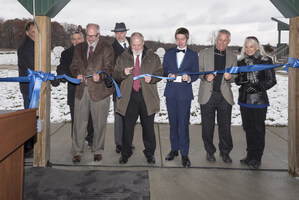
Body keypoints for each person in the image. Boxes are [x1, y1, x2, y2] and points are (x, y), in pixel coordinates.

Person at [113, 32, 163, 164]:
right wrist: (123, 73)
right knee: (127, 129)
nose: (136, 48)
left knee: (148, 128)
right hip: (129, 97)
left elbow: (160, 73)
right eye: (133, 45)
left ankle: (149, 153)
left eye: (139, 45)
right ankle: (126, 153)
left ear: (143, 43)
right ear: (130, 44)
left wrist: (152, 78)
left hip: (147, 97)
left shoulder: (153, 56)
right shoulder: (122, 57)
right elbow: (115, 75)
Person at [70, 23, 114, 164]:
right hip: (82, 90)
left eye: (93, 36)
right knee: (79, 123)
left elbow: (109, 68)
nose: (90, 39)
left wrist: (100, 76)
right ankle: (77, 151)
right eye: (88, 35)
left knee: (99, 123)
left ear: (98, 35)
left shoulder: (107, 48)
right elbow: (74, 65)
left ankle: (97, 150)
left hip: (100, 91)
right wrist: (77, 74)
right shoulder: (79, 47)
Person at [235, 36, 276, 169]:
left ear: (257, 47)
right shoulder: (241, 62)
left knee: (258, 129)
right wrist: (239, 81)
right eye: (246, 47)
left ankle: (257, 157)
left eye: (251, 46)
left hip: (259, 101)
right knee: (248, 129)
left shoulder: (266, 61)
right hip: (244, 100)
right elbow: (238, 80)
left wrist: (258, 87)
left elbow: (271, 80)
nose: (248, 49)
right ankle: (250, 155)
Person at [198, 29, 237, 163]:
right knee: (207, 127)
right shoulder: (204, 53)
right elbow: (198, 72)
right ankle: (209, 151)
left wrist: (230, 77)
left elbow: (235, 76)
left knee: (225, 127)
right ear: (216, 39)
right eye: (220, 40)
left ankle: (225, 152)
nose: (222, 43)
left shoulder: (232, 57)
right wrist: (205, 76)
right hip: (207, 95)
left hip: (224, 96)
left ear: (229, 42)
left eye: (225, 40)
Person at [163, 27, 199, 167]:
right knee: (173, 124)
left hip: (184, 94)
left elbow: (196, 74)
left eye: (182, 39)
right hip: (171, 93)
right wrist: (168, 75)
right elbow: (164, 69)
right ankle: (174, 149)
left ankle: (184, 153)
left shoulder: (193, 54)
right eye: (177, 39)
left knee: (183, 124)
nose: (180, 42)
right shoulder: (169, 52)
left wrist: (189, 77)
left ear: (187, 39)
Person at [51, 31, 94, 148]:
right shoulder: (66, 54)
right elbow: (62, 68)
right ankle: (76, 145)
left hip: (90, 90)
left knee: (90, 119)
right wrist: (61, 75)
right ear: (71, 40)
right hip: (74, 91)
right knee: (76, 120)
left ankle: (91, 140)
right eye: (74, 39)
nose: (76, 41)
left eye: (78, 38)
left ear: (83, 39)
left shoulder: (91, 51)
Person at [111, 22, 133, 153]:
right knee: (119, 116)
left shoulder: (135, 43)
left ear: (126, 32)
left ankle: (128, 142)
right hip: (119, 87)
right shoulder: (111, 48)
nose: (119, 35)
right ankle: (119, 143)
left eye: (121, 32)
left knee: (130, 117)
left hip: (134, 87)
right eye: (116, 33)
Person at [17, 20, 35, 158]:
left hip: (35, 86)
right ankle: (27, 148)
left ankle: (32, 144)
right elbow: (33, 65)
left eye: (37, 32)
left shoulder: (34, 44)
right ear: (27, 32)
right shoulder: (25, 47)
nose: (35, 34)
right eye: (33, 32)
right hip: (29, 88)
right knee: (29, 117)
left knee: (34, 117)